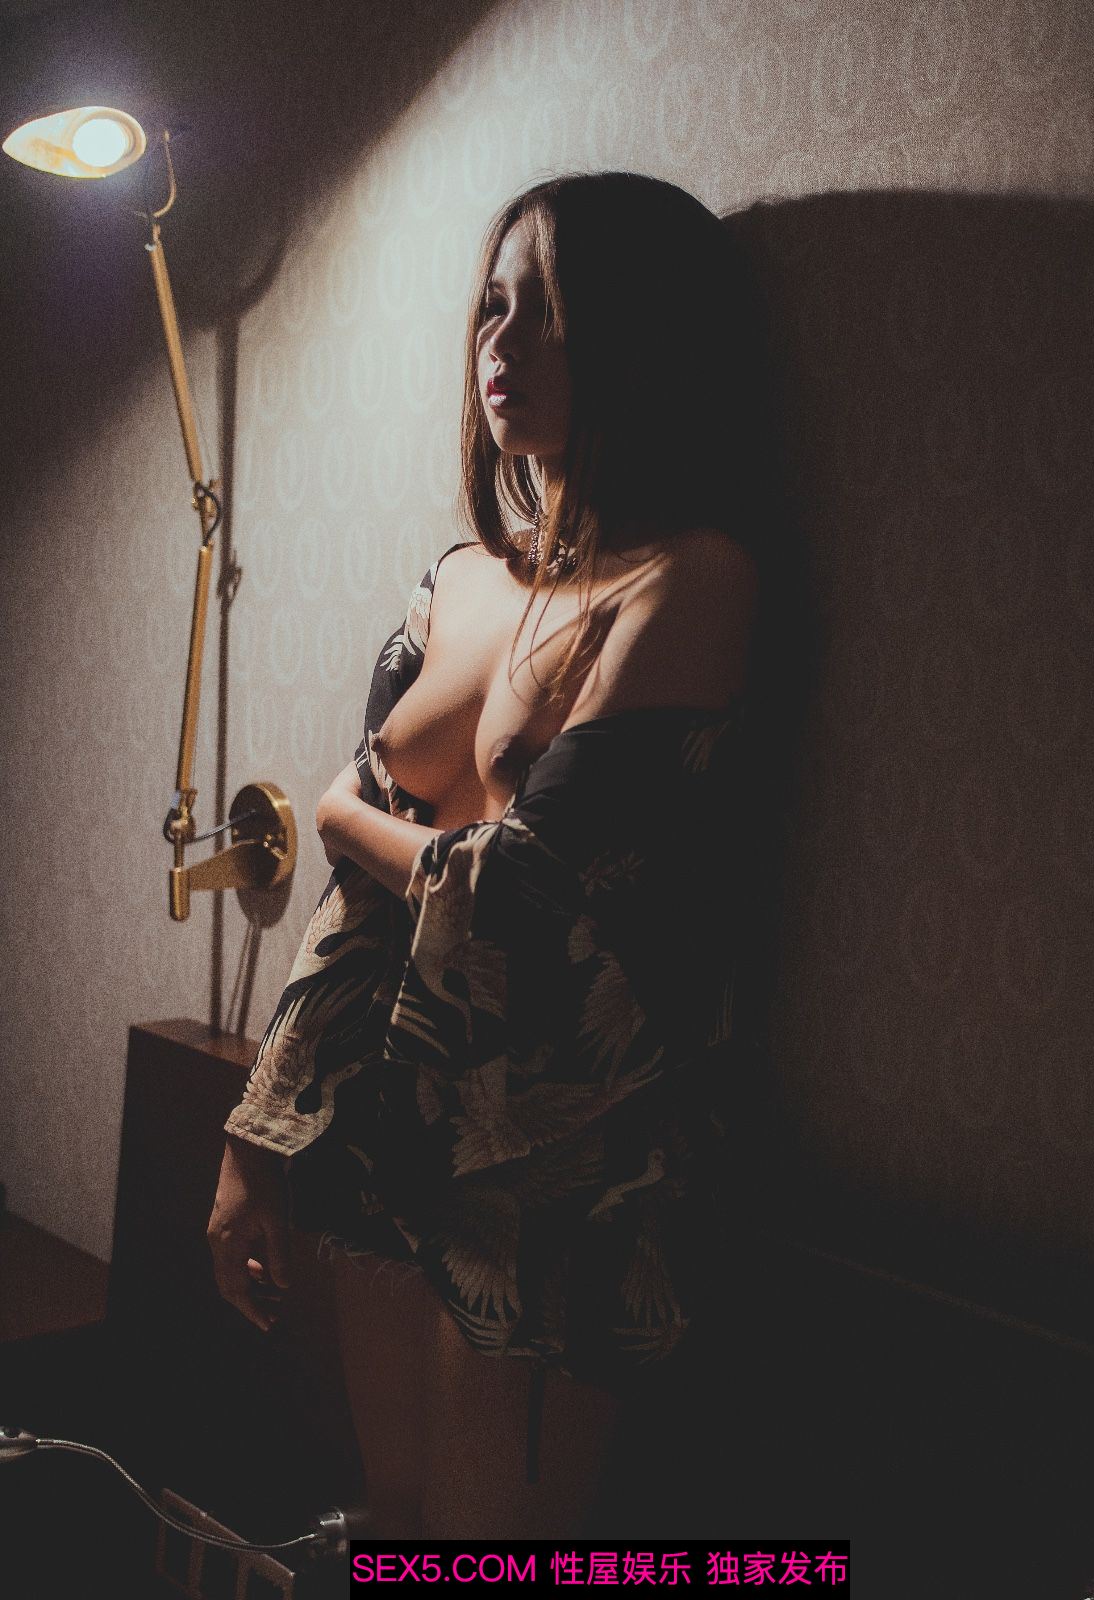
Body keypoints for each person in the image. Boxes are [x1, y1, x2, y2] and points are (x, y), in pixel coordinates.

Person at [207, 170, 774, 1540]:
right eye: (492, 306)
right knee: (391, 1520)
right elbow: (358, 915)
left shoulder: (695, 579)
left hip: (560, 1174)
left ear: (642, 339)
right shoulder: (457, 579)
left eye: (550, 310)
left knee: (485, 1555)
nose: (502, 343)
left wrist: (344, 812)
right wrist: (255, 1141)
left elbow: (523, 892)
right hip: (388, 1129)